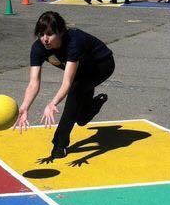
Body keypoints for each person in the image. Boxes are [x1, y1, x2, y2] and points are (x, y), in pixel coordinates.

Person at [15, 12, 115, 160]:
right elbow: (33, 82)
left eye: (49, 34)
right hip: (82, 68)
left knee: (75, 92)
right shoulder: (38, 48)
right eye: (41, 34)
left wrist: (52, 103)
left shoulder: (74, 41)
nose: (45, 39)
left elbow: (67, 82)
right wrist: (25, 107)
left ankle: (59, 145)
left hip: (102, 65)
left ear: (61, 32)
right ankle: (94, 105)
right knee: (81, 118)